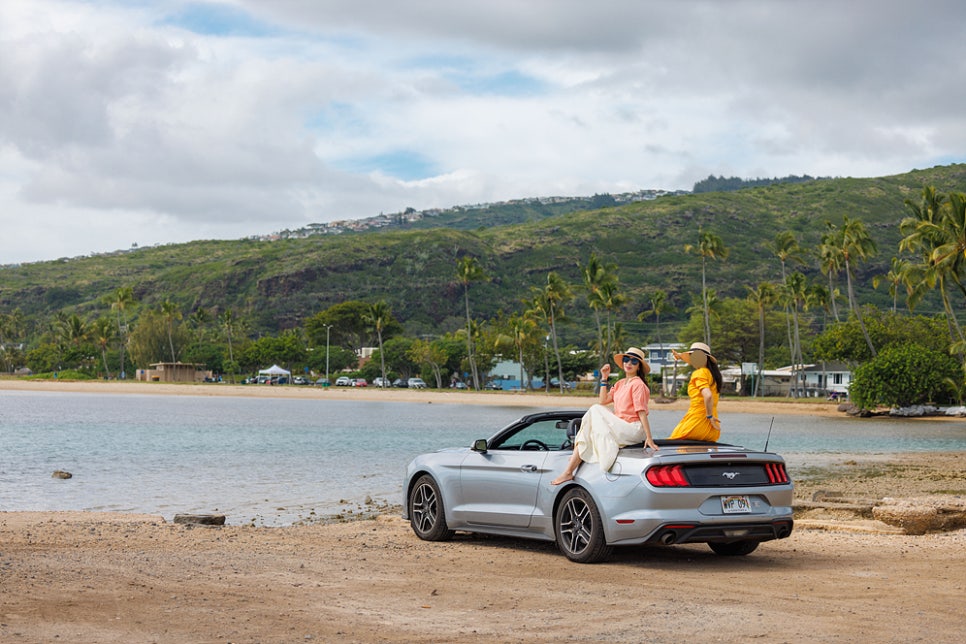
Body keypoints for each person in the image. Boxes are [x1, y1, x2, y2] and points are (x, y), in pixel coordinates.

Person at [551, 347, 658, 485]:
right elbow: (603, 400)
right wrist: (604, 378)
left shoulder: (638, 385)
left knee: (595, 409)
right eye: (626, 360)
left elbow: (641, 412)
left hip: (633, 428)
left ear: (639, 367)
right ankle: (568, 471)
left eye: (633, 361)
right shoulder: (619, 384)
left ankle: (569, 469)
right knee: (591, 424)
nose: (628, 363)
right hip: (620, 426)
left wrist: (649, 437)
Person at [668, 341, 722, 442]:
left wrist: (709, 416)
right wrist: (680, 355)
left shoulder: (699, 373)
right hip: (712, 428)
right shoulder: (711, 374)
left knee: (672, 444)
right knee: (699, 452)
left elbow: (708, 395)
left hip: (698, 421)